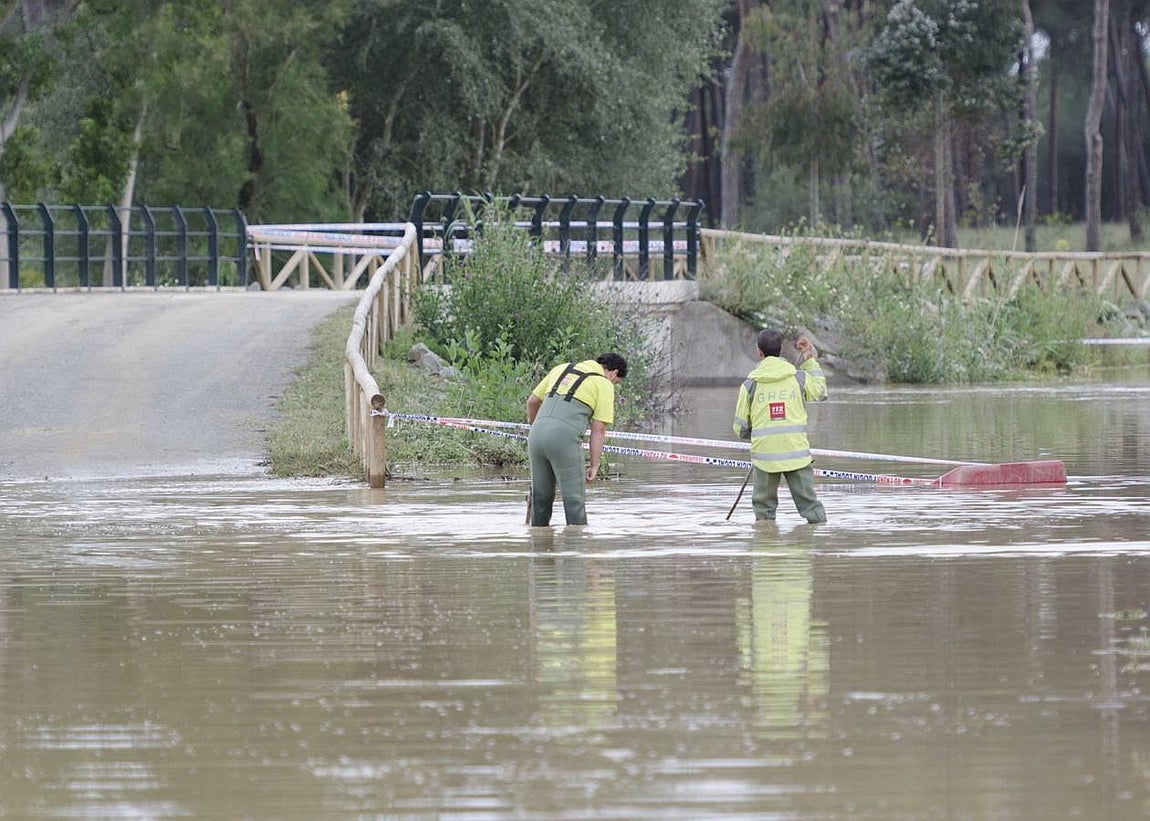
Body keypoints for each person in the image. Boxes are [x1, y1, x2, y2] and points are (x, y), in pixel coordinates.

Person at [733, 329, 828, 523]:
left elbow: (740, 428)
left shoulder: (750, 385)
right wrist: (809, 361)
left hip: (764, 458)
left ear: (759, 352)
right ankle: (815, 545)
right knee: (811, 509)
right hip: (797, 456)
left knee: (763, 512)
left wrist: (760, 435)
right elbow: (821, 392)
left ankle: (767, 547)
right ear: (781, 349)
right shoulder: (799, 378)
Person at [526, 352, 627, 526]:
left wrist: (537, 427)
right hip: (564, 440)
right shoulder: (603, 383)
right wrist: (595, 466)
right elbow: (599, 430)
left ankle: (539, 547)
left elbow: (532, 402)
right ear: (614, 373)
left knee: (540, 502)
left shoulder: (561, 369)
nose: (613, 385)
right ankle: (577, 547)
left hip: (535, 437)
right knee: (574, 504)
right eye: (616, 383)